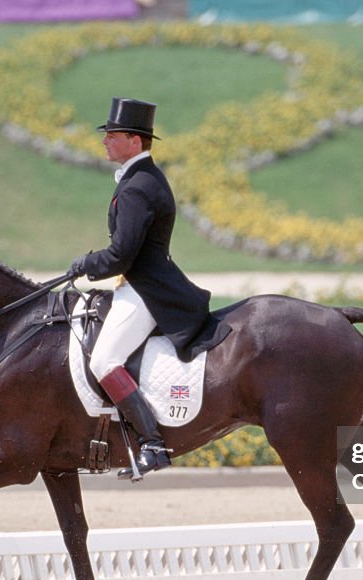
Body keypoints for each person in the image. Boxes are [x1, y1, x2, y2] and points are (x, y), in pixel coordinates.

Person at [67, 97, 225, 479]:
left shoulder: (138, 187)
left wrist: (86, 264)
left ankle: (152, 444)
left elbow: (121, 255)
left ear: (134, 142)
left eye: (112, 136)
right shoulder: (142, 178)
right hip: (140, 282)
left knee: (103, 360)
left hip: (147, 291)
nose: (105, 141)